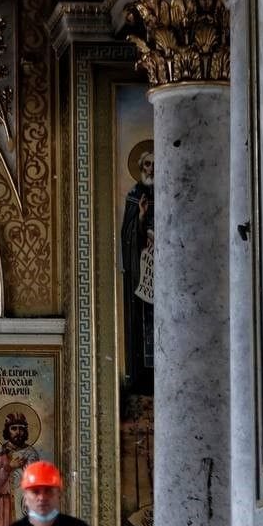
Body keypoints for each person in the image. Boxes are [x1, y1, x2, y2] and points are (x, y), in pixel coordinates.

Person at [120, 148, 154, 395]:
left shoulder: (169, 190)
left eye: (155, 165)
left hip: (163, 270)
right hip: (142, 271)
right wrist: (141, 218)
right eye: (148, 165)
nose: (152, 170)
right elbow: (127, 234)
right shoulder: (134, 196)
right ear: (141, 168)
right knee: (142, 322)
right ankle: (142, 376)